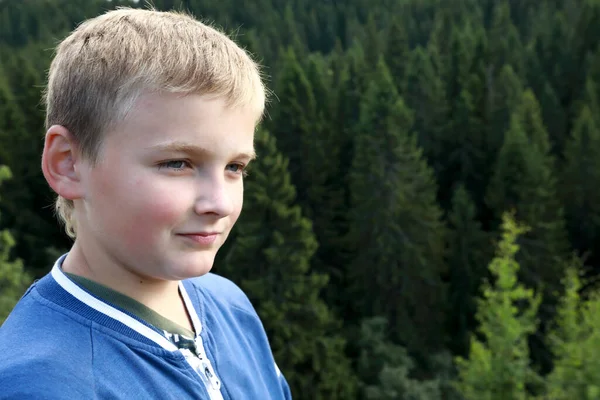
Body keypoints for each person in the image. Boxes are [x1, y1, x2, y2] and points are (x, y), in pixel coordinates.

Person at [0, 7, 292, 400]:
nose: (219, 203)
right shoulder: (40, 384)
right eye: (177, 163)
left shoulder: (229, 305)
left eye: (235, 167)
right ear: (68, 164)